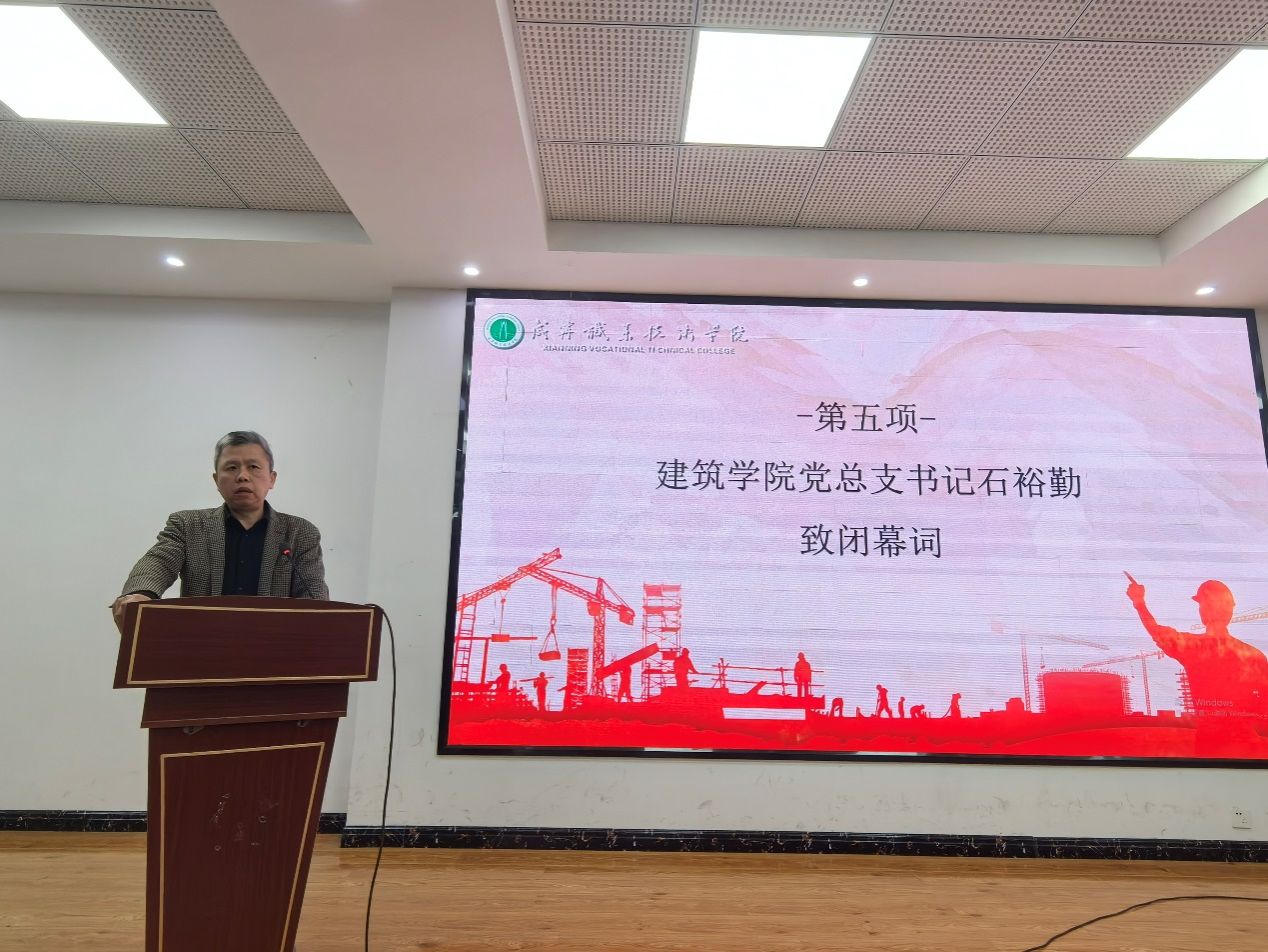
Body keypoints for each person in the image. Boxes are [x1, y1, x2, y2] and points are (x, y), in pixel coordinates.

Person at [111, 431, 328, 632]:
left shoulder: (300, 533)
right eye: (231, 467)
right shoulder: (187, 525)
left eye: (253, 467)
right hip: (202, 646)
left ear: (272, 478)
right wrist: (140, 594)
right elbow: (159, 561)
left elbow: (314, 597)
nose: (242, 476)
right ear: (216, 480)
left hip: (272, 647)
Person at [1126, 573, 1268, 717]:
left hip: (1209, 729)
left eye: (1202, 604)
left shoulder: (1192, 646)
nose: (1200, 609)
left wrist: (1139, 602)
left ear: (1207, 608)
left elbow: (1156, 631)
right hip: (1247, 730)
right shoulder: (1254, 655)